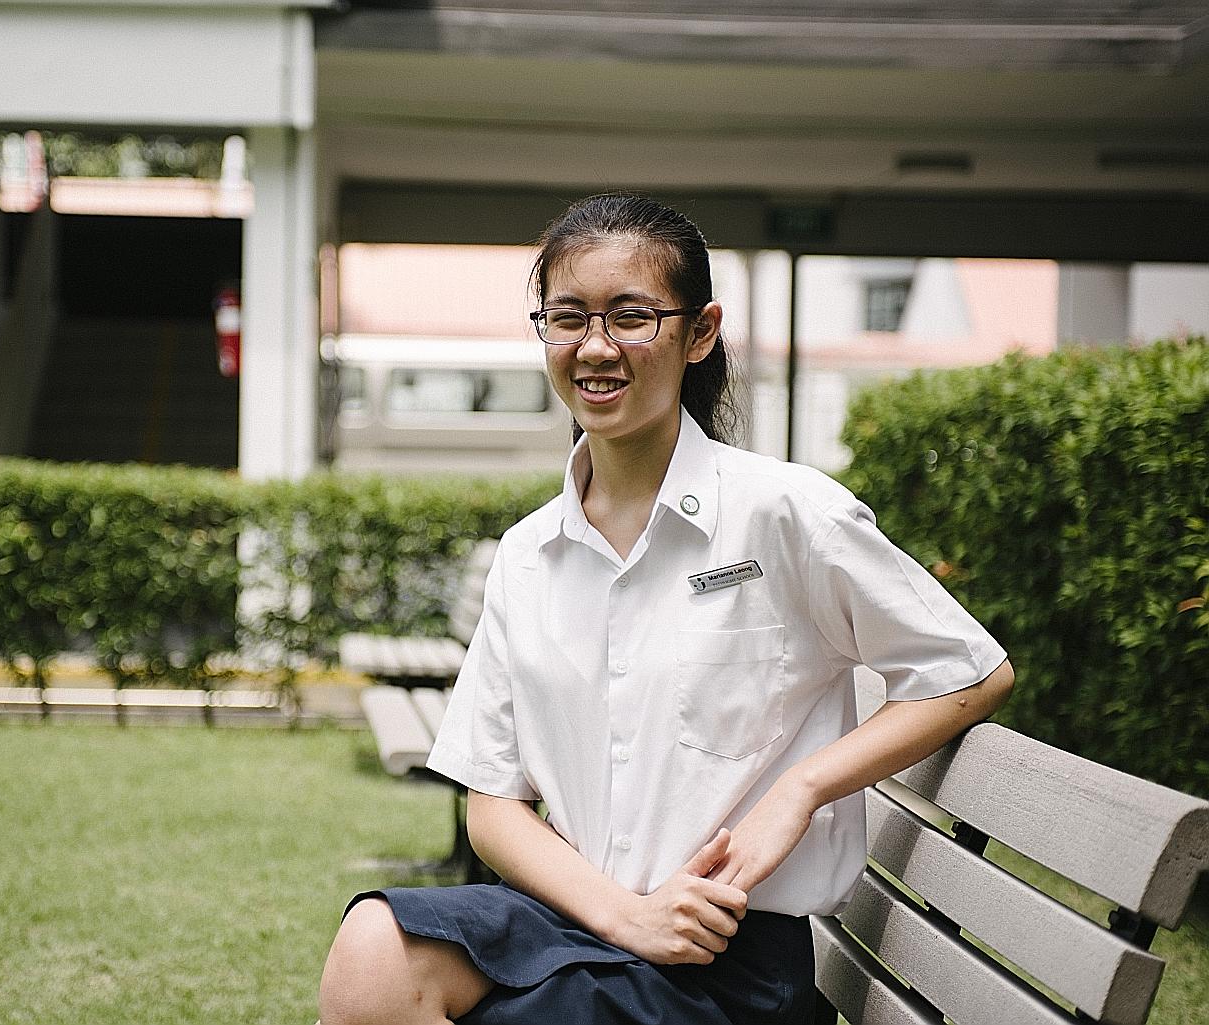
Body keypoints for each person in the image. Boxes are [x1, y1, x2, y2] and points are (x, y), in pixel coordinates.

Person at [318, 193, 1014, 1025]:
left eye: (633, 316)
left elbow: (969, 671)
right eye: (567, 317)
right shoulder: (529, 553)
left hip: (728, 961)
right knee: (372, 948)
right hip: (584, 920)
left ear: (700, 331)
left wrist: (800, 788)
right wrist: (626, 917)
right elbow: (494, 804)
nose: (596, 347)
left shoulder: (785, 513)